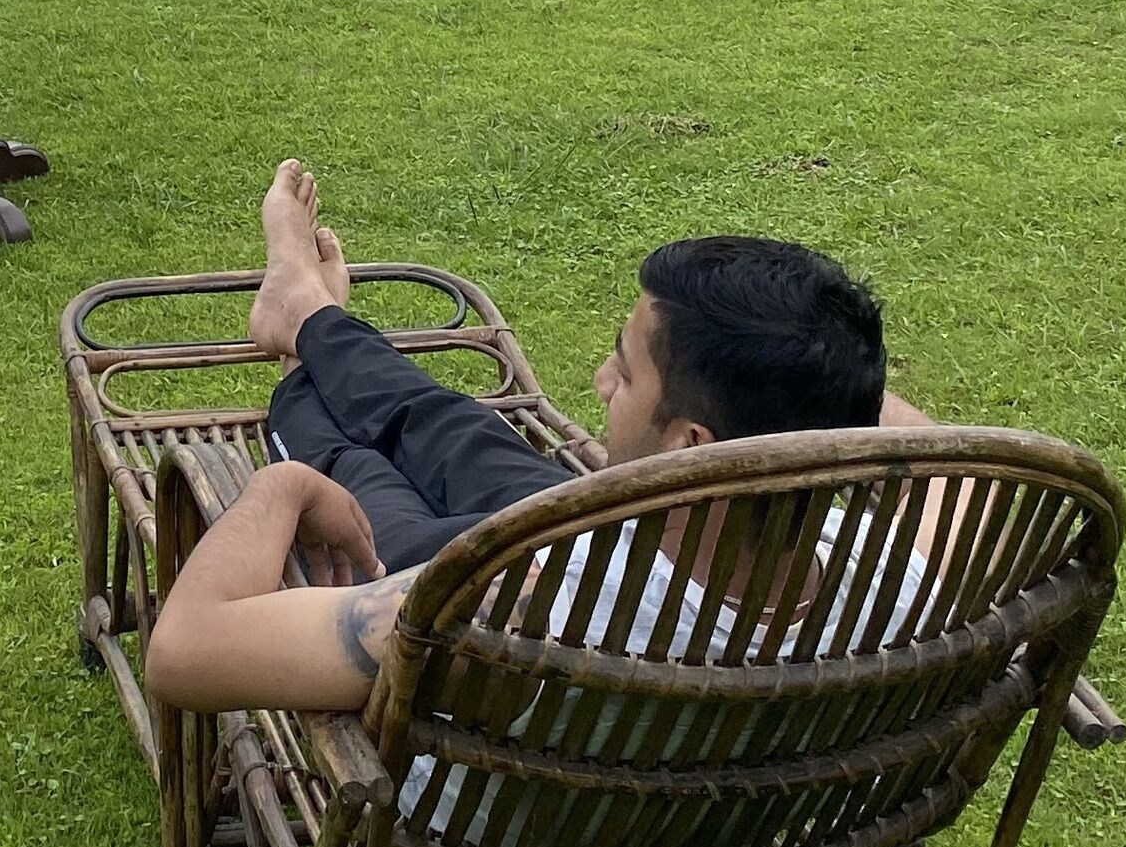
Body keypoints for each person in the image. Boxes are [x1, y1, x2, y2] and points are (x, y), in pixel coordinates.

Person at [143, 159, 931, 719]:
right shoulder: (905, 584)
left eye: (624, 374)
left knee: (354, 476)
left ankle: (297, 353)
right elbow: (934, 437)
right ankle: (312, 318)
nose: (599, 381)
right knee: (462, 433)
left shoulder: (515, 601)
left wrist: (281, 489)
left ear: (695, 446)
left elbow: (184, 651)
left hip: (540, 603)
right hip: (645, 541)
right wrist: (813, 372)